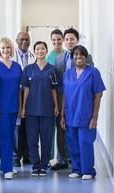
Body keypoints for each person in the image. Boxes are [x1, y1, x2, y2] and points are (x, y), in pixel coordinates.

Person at [51, 27, 94, 171]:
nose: (69, 42)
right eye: (67, 39)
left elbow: (89, 81)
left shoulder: (86, 58)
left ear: (77, 40)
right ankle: (62, 159)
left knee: (81, 136)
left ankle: (82, 164)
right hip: (64, 101)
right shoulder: (59, 59)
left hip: (81, 103)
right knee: (62, 130)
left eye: (72, 39)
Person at [60, 45, 106, 180]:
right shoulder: (67, 73)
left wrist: (94, 117)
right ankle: (77, 169)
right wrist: (62, 115)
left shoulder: (93, 72)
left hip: (86, 115)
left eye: (81, 54)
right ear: (72, 57)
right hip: (70, 114)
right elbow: (64, 96)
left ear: (85, 56)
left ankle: (88, 171)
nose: (78, 57)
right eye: (75, 55)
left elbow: (98, 95)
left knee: (85, 142)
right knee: (73, 143)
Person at [21, 41, 60, 176]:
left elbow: (54, 90)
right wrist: (23, 107)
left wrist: (56, 106)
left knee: (46, 138)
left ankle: (44, 165)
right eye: (37, 49)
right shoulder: (28, 69)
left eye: (43, 48)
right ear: (34, 51)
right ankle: (35, 165)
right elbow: (26, 89)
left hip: (47, 109)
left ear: (46, 50)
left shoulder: (52, 70)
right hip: (31, 109)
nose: (40, 51)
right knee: (32, 139)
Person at [0, 37, 22, 179]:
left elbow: (19, 89)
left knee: (11, 137)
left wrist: (21, 107)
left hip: (14, 106)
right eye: (2, 48)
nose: (5, 50)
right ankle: (8, 168)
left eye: (8, 47)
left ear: (11, 49)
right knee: (4, 137)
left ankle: (5, 165)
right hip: (1, 108)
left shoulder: (17, 66)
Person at [12, 32, 35, 167]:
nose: (24, 42)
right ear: (17, 41)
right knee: (17, 128)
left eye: (27, 39)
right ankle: (16, 156)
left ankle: (27, 156)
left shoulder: (33, 57)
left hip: (30, 96)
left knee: (29, 127)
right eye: (21, 39)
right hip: (16, 96)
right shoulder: (12, 56)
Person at [46, 29, 67, 161]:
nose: (56, 42)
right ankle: (51, 156)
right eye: (53, 39)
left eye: (59, 39)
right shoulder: (49, 57)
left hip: (66, 95)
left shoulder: (67, 54)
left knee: (64, 127)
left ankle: (66, 155)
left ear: (63, 39)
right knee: (52, 129)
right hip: (53, 95)